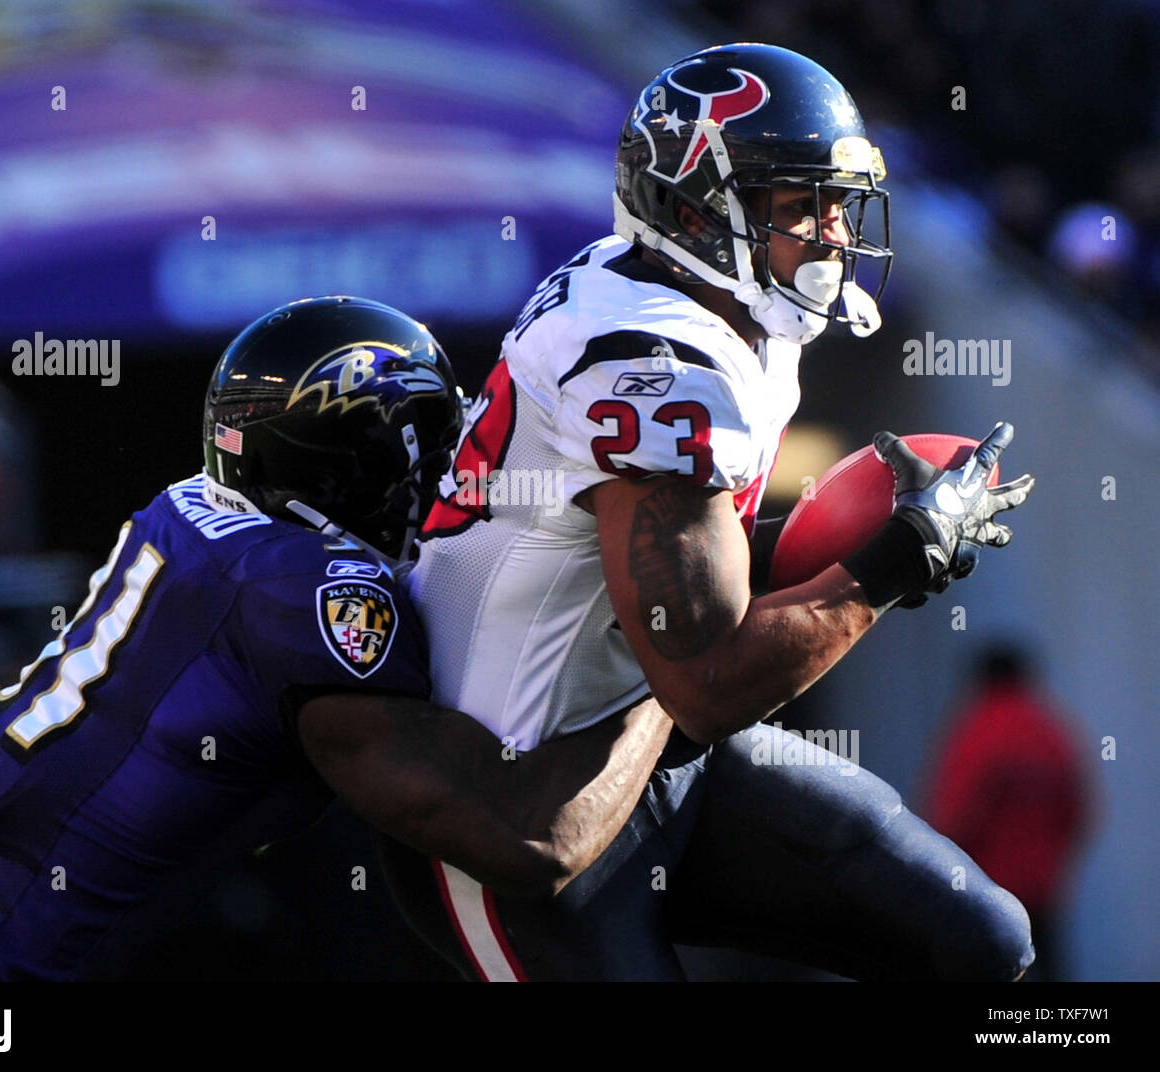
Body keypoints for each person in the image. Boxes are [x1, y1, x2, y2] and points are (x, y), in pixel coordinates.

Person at [379, 43, 1038, 981]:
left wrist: (867, 539)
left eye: (840, 202)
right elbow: (710, 680)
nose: (835, 234)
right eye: (799, 204)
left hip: (642, 737)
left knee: (981, 940)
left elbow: (676, 570)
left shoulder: (698, 298)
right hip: (518, 811)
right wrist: (895, 561)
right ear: (696, 213)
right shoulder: (656, 361)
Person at [0, 295, 672, 982]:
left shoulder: (192, 508)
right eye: (433, 441)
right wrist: (663, 673)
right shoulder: (312, 595)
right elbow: (530, 840)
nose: (452, 474)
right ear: (367, 460)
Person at [924, 646, 1091, 981]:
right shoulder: (1050, 731)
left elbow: (955, 816)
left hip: (987, 892)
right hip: (1042, 888)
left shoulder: (978, 729)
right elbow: (1077, 810)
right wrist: (1052, 864)